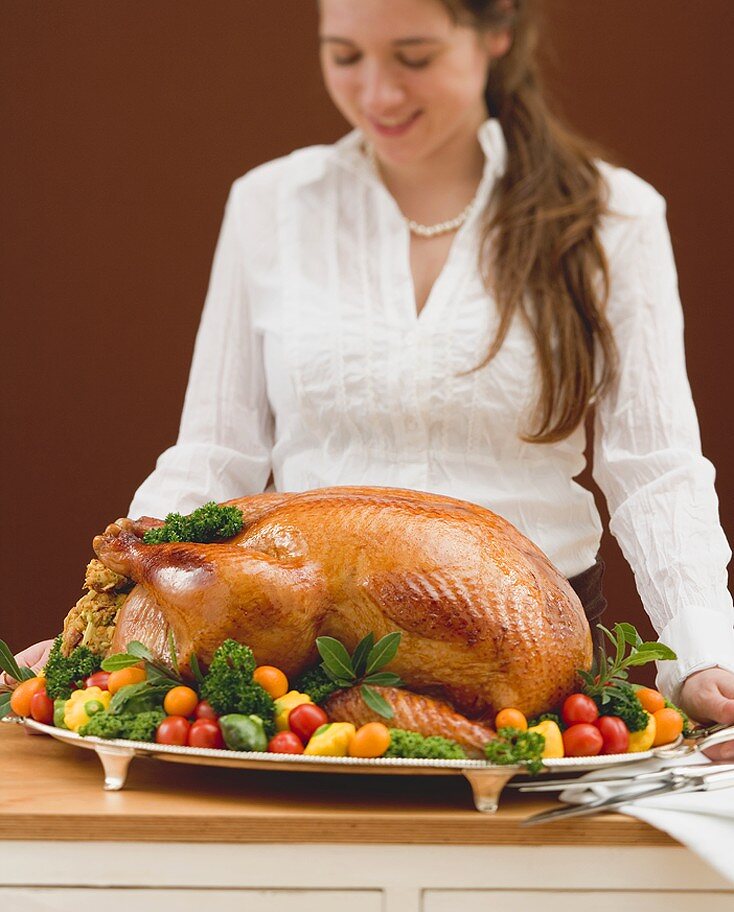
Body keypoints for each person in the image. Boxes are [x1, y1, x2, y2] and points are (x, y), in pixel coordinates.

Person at [11, 0, 734, 746]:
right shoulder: (273, 205)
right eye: (346, 57)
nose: (378, 94)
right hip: (296, 651)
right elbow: (215, 451)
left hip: (522, 653)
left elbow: (654, 465)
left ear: (497, 33)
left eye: (414, 57)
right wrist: (103, 616)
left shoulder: (609, 216)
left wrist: (705, 649)